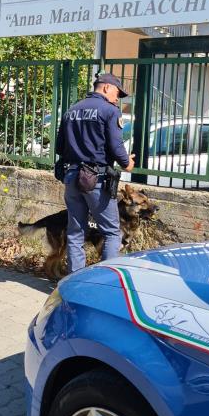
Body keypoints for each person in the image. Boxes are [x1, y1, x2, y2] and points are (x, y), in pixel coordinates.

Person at [55, 72, 136, 273]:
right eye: (117, 93)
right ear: (106, 87)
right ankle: (103, 282)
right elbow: (117, 147)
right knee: (112, 233)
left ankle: (75, 282)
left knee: (75, 232)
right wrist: (127, 163)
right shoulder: (109, 111)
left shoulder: (71, 110)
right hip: (96, 178)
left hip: (72, 176)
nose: (117, 99)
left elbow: (59, 147)